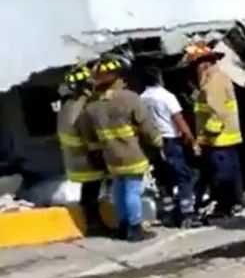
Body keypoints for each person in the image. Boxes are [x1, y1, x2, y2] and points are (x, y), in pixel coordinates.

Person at [77, 57, 164, 242]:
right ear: (117, 79)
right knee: (133, 191)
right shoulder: (130, 98)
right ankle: (135, 227)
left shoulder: (91, 107)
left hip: (111, 157)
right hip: (132, 154)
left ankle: (123, 226)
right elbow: (147, 127)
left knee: (119, 190)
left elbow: (88, 136)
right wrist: (159, 143)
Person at [183, 42, 244, 219]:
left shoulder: (212, 82)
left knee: (221, 175)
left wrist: (204, 137)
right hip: (226, 139)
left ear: (202, 64)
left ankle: (225, 206)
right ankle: (233, 203)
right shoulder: (219, 77)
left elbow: (218, 114)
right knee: (231, 173)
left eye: (194, 66)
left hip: (219, 141)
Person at [140, 66, 198, 227]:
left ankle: (169, 213)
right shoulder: (167, 96)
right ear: (159, 78)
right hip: (171, 140)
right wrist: (190, 138)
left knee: (163, 178)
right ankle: (187, 214)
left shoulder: (142, 98)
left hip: (153, 141)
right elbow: (178, 119)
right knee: (183, 177)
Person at [56, 63, 109, 236]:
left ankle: (94, 223)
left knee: (90, 192)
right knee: (91, 193)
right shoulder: (81, 105)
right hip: (86, 157)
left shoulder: (67, 105)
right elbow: (88, 131)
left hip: (76, 157)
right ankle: (95, 225)